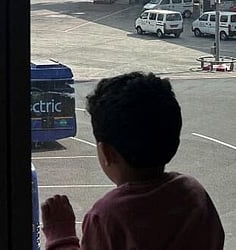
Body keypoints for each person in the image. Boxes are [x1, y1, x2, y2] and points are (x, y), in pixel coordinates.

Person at [41, 71, 224, 249]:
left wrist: (61, 237)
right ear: (175, 142)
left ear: (107, 153)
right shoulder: (194, 194)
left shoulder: (107, 217)